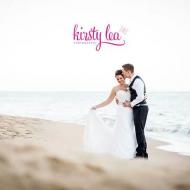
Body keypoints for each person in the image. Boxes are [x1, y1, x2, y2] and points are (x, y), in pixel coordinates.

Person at [83, 70, 137, 159]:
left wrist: (131, 104)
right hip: (121, 112)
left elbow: (136, 98)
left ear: (124, 77)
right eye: (117, 79)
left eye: (120, 78)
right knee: (122, 130)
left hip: (130, 112)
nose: (119, 80)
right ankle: (123, 150)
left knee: (129, 130)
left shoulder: (130, 87)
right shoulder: (115, 89)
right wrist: (96, 106)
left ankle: (131, 149)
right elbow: (108, 101)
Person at [121, 63, 149, 159]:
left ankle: (141, 153)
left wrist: (130, 104)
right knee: (139, 131)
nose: (123, 74)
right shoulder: (133, 80)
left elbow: (141, 97)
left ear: (129, 71)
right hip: (139, 107)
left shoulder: (137, 81)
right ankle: (142, 152)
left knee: (139, 131)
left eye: (124, 72)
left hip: (141, 108)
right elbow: (140, 95)